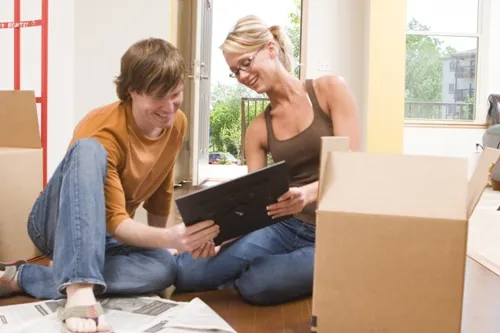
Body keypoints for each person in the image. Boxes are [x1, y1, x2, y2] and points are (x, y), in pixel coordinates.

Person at [0, 38, 219, 333]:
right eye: (158, 97)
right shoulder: (102, 128)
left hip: (106, 237)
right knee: (87, 149)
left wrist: (168, 244)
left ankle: (26, 276)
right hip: (57, 225)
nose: (169, 107)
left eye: (176, 94)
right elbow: (116, 221)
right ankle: (78, 287)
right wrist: (170, 238)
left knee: (165, 268)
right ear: (133, 91)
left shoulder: (176, 122)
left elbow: (161, 190)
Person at [174, 15, 360, 306]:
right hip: (284, 226)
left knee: (255, 285)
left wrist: (308, 193)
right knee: (186, 273)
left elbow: (353, 170)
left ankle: (332, 262)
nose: (243, 76)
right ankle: (288, 268)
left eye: (246, 63)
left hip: (334, 228)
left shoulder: (330, 90)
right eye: (235, 71)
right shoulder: (258, 129)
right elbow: (253, 207)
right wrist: (218, 239)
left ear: (270, 48)